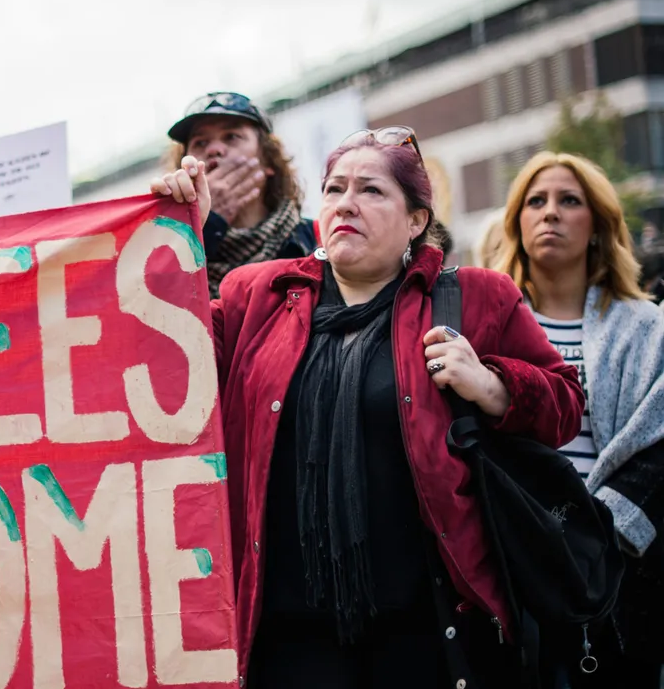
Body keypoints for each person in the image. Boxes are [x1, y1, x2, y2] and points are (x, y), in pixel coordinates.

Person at [153, 127, 584, 687]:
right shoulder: (254, 297)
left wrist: (492, 384)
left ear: (416, 221)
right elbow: (164, 351)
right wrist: (177, 229)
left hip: (425, 634)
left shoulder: (476, 296)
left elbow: (565, 405)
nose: (346, 204)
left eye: (372, 191)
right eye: (333, 189)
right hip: (289, 641)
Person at [495, 152, 664, 687]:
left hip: (617, 575)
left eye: (570, 201)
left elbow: (657, 448)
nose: (551, 214)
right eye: (536, 201)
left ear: (598, 227)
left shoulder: (648, 328)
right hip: (507, 565)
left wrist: (591, 537)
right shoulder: (480, 322)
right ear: (516, 223)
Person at [155, 91, 316, 297]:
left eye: (232, 136)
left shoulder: (316, 242)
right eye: (200, 143)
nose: (214, 149)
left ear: (268, 160)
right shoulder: (171, 254)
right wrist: (208, 223)